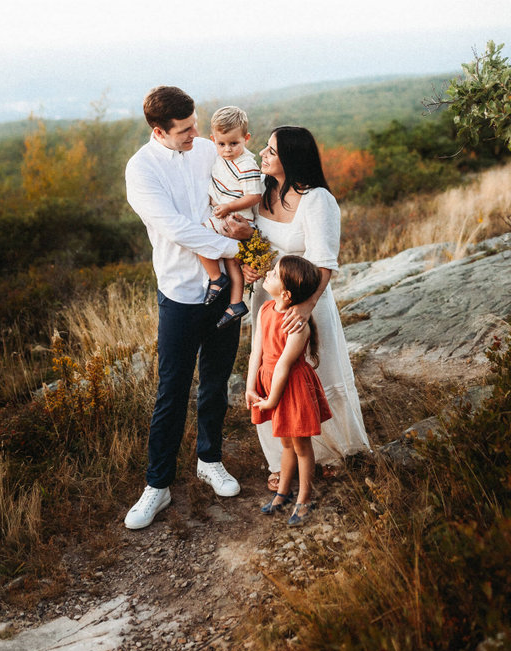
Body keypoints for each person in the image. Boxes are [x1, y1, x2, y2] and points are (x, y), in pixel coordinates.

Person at [123, 86, 252, 530]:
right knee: (171, 391)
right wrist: (233, 252)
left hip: (225, 290)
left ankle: (209, 460)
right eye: (185, 130)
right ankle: (156, 487)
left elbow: (238, 186)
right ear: (159, 130)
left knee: (215, 384)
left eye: (195, 124)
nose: (197, 135)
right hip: (180, 293)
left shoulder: (203, 150)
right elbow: (175, 228)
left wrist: (247, 236)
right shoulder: (141, 170)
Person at [225, 126, 370, 491]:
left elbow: (324, 263)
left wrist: (305, 307)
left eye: (271, 150)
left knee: (315, 374)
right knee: (273, 372)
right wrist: (250, 261)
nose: (262, 154)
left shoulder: (317, 199)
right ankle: (281, 460)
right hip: (269, 299)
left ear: (291, 157)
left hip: (308, 300)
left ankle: (333, 452)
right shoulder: (263, 192)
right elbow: (264, 245)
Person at [246, 256, 332, 526]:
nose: (267, 274)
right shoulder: (265, 310)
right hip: (269, 382)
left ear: (286, 293)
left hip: (292, 387)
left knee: (301, 445)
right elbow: (256, 352)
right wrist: (250, 387)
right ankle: (283, 491)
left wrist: (272, 399)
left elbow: (284, 365)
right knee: (285, 441)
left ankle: (305, 498)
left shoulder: (298, 325)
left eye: (274, 273)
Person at [198, 106, 263, 329]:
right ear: (213, 140)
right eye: (221, 144)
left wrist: (227, 207)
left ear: (246, 138)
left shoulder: (247, 165)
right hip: (227, 213)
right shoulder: (221, 158)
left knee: (199, 238)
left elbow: (254, 196)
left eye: (234, 143)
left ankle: (216, 278)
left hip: (236, 218)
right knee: (231, 260)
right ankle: (236, 303)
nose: (227, 149)